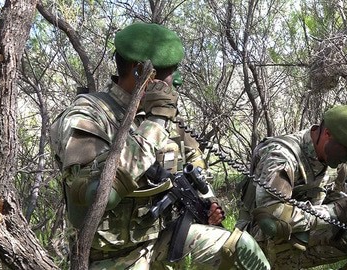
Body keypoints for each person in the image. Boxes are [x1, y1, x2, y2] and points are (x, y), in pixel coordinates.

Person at [50, 22, 270, 269]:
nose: (173, 84)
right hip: (110, 257)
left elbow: (192, 161)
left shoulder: (161, 119)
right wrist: (156, 119)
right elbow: (98, 195)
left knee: (241, 250)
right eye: (167, 77)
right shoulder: (87, 116)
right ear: (141, 72)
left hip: (162, 240)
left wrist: (208, 202)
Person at [237, 105, 347, 268]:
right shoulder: (281, 156)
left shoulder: (334, 161)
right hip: (256, 237)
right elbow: (272, 219)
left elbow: (331, 195)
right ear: (327, 134)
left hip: (298, 231)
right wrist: (336, 212)